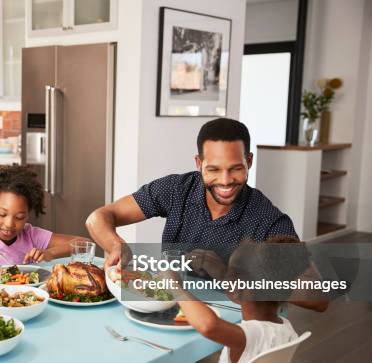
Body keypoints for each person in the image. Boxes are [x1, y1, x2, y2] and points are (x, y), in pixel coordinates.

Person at [86, 118, 327, 312]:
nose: (225, 181)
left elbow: (317, 297)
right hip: (169, 308)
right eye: (213, 169)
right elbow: (99, 217)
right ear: (198, 163)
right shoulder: (176, 190)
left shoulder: (267, 219)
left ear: (249, 162)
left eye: (235, 168)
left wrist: (226, 274)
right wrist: (117, 245)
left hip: (229, 326)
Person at [139, 236, 307, 363]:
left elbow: (209, 325)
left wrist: (176, 287)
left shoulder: (250, 335)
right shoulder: (286, 328)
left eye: (229, 274)